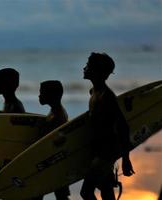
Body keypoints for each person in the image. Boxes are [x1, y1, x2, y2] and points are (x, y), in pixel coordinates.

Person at [80, 52, 135, 200]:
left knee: (86, 192)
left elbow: (123, 127)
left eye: (88, 66)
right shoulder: (93, 92)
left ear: (97, 71)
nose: (84, 68)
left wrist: (125, 159)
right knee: (106, 190)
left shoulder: (107, 96)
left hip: (106, 152)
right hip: (99, 150)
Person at [33, 80, 70, 200]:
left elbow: (57, 140)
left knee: (56, 194)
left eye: (41, 93)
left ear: (50, 96)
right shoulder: (55, 111)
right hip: (53, 163)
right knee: (59, 195)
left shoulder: (58, 116)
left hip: (54, 163)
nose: (39, 95)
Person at [0, 68, 25, 172]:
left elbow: (17, 137)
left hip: (12, 158)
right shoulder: (9, 104)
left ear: (6, 84)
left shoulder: (15, 107)